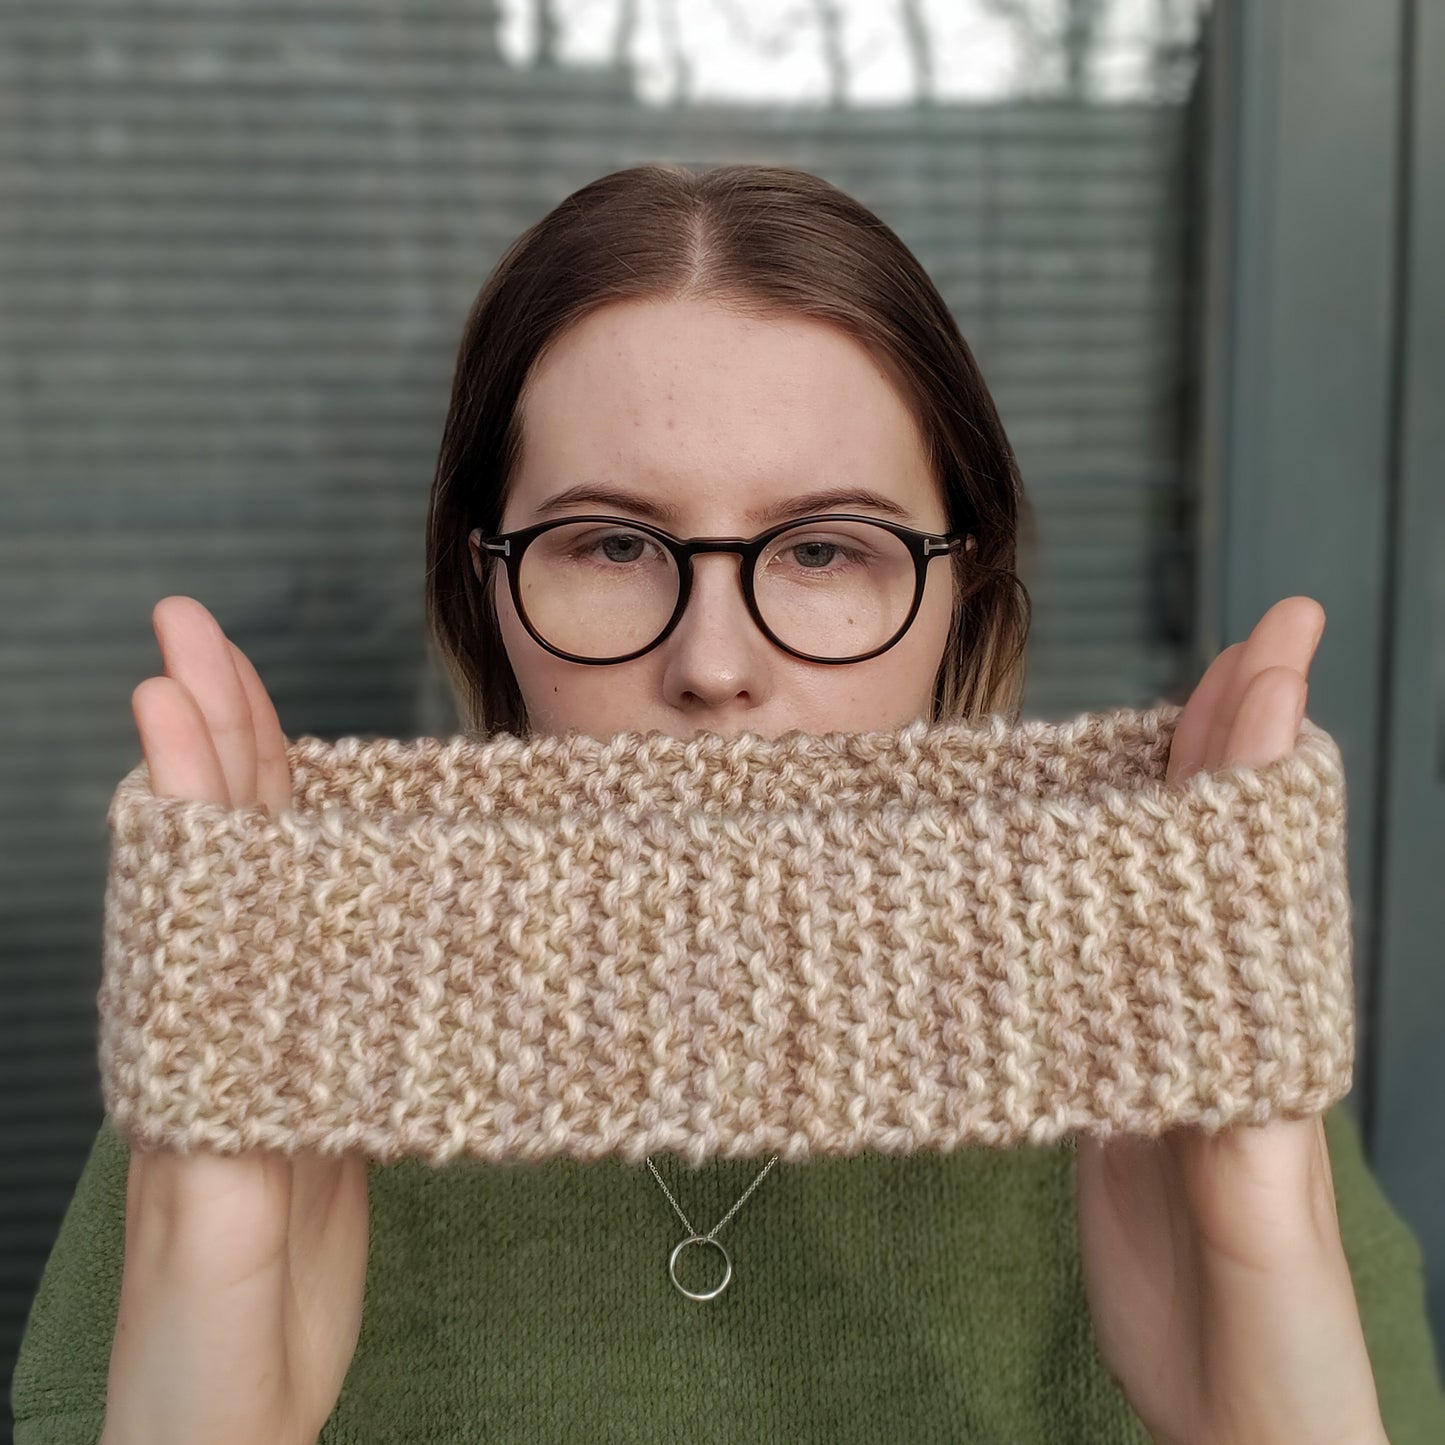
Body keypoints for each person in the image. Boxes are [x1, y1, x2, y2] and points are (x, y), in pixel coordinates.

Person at [12, 162, 1445, 1445]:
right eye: (612, 542)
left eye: (824, 549)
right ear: (485, 590)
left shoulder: (1187, 1073)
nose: (712, 664)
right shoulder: (260, 1062)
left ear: (963, 591)